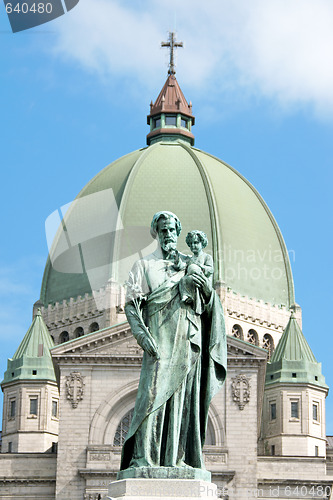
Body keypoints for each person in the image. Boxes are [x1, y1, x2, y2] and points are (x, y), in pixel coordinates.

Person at [120, 211, 227, 476]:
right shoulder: (143, 266)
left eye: (171, 230)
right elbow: (132, 306)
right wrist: (143, 337)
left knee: (183, 399)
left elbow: (210, 304)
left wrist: (207, 292)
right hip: (157, 344)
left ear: (178, 232)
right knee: (150, 396)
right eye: (163, 230)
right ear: (156, 233)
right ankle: (143, 458)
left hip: (186, 341)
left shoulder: (192, 263)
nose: (168, 234)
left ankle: (176, 458)